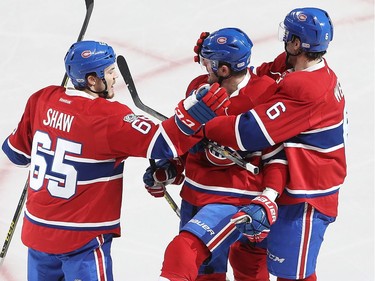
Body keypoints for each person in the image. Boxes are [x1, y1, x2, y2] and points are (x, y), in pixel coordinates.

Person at [1, 40, 229, 281]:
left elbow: (16, 154)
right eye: (110, 72)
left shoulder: (41, 99)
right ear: (92, 80)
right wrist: (195, 111)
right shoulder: (108, 117)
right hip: (81, 239)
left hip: (37, 234)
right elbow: (163, 144)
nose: (115, 78)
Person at [203, 8, 347, 281]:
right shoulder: (294, 66)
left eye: (289, 35)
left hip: (307, 195)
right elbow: (258, 77)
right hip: (281, 184)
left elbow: (248, 133)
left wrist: (201, 125)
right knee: (247, 256)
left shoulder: (307, 88)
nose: (285, 40)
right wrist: (217, 62)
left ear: (296, 43)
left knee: (291, 275)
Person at [143, 28, 288, 281]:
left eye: (208, 63)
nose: (203, 66)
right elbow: (185, 141)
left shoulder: (264, 93)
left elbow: (276, 153)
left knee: (183, 252)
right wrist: (170, 169)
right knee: (205, 275)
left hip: (235, 200)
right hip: (194, 196)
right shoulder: (197, 88)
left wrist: (269, 196)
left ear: (223, 70)